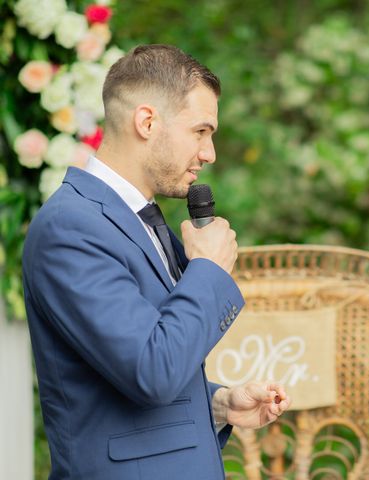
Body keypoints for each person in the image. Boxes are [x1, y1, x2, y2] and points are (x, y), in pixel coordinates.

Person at [22, 44, 291, 480]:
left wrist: (218, 403)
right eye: (201, 131)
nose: (210, 153)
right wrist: (207, 269)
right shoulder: (70, 227)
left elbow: (135, 362)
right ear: (147, 122)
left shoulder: (143, 221)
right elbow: (152, 372)